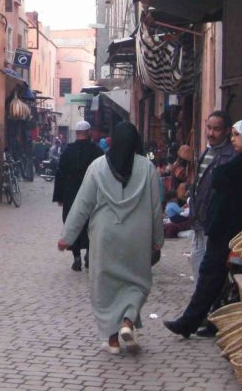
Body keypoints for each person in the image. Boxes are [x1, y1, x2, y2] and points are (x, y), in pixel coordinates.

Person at [164, 119, 242, 339]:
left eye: (236, 135)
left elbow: (220, 177)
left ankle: (189, 322)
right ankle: (213, 322)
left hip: (228, 229)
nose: (233, 140)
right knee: (217, 279)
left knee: (210, 275)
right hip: (229, 228)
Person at [57, 122, 163, 355]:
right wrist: (157, 240)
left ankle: (113, 340)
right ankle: (127, 321)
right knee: (137, 284)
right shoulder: (147, 168)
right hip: (138, 236)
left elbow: (83, 204)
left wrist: (67, 237)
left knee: (105, 288)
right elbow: (156, 209)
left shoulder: (97, 167)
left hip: (105, 237)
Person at [188, 112, 236, 281]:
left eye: (216, 129)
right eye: (209, 128)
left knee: (207, 275)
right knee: (198, 267)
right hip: (199, 224)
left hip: (214, 226)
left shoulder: (229, 156)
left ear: (227, 131)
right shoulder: (207, 152)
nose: (210, 133)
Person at [52, 120, 104, 271]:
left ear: (76, 133)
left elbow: (60, 174)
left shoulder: (68, 151)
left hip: (71, 195)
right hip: (92, 194)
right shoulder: (97, 151)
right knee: (91, 224)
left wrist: (60, 197)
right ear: (89, 133)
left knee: (72, 222)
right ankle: (89, 253)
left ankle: (76, 258)